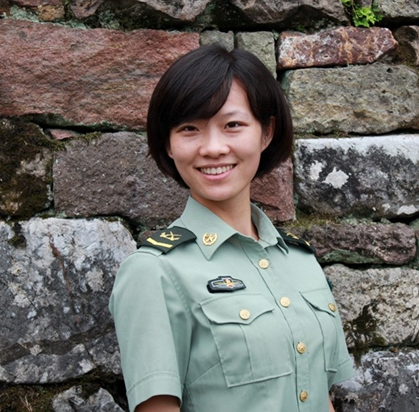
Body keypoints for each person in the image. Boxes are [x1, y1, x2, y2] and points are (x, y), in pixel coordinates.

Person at [109, 44, 354, 412]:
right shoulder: (154, 272)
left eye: (232, 125)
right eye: (189, 128)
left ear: (266, 132)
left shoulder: (301, 261)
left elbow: (323, 398)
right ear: (169, 145)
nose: (213, 148)